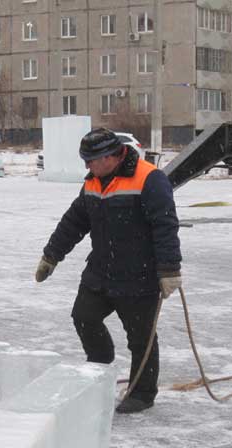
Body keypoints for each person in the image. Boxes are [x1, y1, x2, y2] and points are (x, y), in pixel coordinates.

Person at [35, 128, 182, 414]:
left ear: (110, 157)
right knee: (83, 317)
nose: (86, 167)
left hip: (139, 275)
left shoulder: (150, 179)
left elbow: (165, 226)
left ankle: (142, 393)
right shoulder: (93, 181)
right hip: (100, 270)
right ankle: (100, 366)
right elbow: (74, 221)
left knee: (141, 338)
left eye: (90, 160)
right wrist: (51, 255)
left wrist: (169, 269)